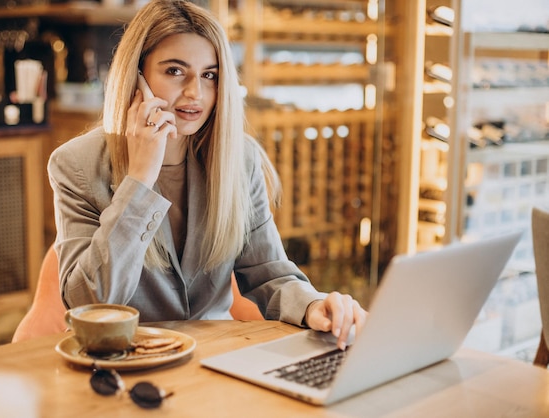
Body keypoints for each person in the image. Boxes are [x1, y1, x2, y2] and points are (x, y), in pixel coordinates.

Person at [48, 0, 367, 349]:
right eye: (174, 71)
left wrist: (313, 305)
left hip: (214, 363)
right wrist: (138, 180)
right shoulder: (75, 165)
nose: (194, 93)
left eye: (209, 75)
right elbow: (87, 301)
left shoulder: (238, 158)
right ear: (136, 77)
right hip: (124, 363)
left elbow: (268, 273)